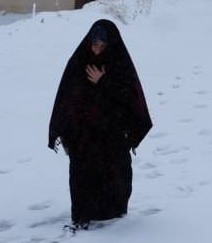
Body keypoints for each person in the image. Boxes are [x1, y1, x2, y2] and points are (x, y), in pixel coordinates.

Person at [47, 20, 152, 230]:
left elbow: (130, 99)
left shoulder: (120, 64)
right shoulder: (78, 61)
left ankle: (113, 216)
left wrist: (104, 82)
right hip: (83, 133)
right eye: (94, 45)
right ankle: (82, 215)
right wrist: (61, 128)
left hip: (112, 132)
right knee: (82, 174)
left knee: (114, 173)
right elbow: (65, 95)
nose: (97, 50)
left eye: (102, 46)